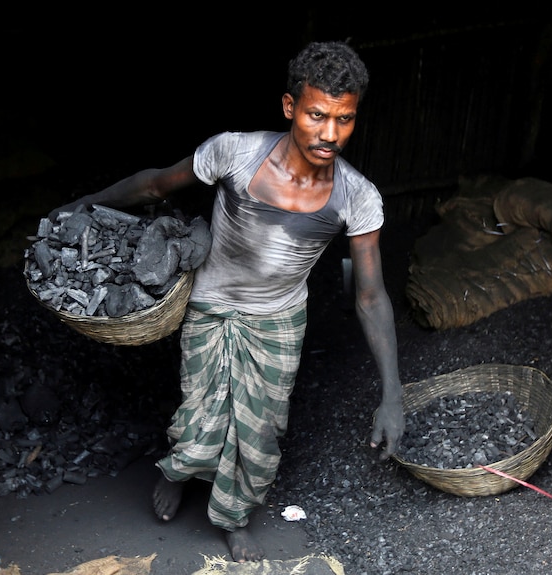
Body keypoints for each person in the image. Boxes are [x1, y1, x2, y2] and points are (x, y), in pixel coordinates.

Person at [49, 40, 405, 563]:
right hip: (212, 307)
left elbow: (371, 297)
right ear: (290, 108)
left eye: (344, 120)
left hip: (278, 322)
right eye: (316, 115)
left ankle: (233, 515)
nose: (330, 134)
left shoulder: (357, 198)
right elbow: (154, 186)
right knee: (198, 417)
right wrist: (82, 205)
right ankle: (181, 472)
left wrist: (392, 393)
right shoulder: (234, 153)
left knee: (260, 432)